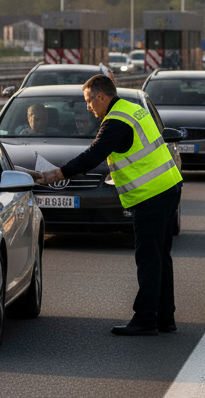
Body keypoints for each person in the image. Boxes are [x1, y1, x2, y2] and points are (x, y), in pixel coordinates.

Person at [35, 74, 182, 336]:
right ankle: (165, 317)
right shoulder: (132, 109)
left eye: (89, 101)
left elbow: (92, 155)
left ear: (102, 97)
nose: (88, 107)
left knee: (148, 259)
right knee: (160, 257)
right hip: (168, 188)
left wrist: (56, 174)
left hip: (150, 196)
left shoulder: (115, 122)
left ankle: (146, 320)